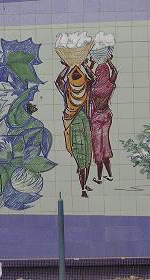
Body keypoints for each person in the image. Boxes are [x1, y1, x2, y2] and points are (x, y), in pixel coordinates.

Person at [55, 59, 95, 198]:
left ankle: (84, 184)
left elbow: (58, 80)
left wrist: (68, 66)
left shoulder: (74, 86)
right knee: (82, 157)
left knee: (87, 155)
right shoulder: (70, 87)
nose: (77, 73)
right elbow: (92, 78)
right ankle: (83, 188)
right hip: (76, 123)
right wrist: (83, 65)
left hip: (81, 122)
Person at [87, 55, 118, 184]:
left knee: (97, 146)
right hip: (107, 115)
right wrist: (109, 60)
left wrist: (92, 63)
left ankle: (99, 178)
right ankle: (109, 175)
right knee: (105, 143)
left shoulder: (93, 85)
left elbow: (88, 73)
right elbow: (115, 71)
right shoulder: (110, 84)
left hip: (96, 116)